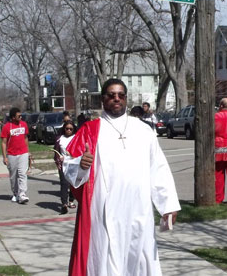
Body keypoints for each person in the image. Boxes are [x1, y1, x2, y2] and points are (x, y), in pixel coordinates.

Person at [62, 78, 180, 275]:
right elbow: (69, 166)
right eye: (111, 95)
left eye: (120, 95)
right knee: (107, 261)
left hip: (138, 209)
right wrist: (81, 166)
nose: (116, 99)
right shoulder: (90, 131)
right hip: (104, 210)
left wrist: (168, 205)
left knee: (140, 258)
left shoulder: (143, 130)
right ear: (103, 99)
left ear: (125, 98)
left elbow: (158, 168)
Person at [1, 107, 32, 204]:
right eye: (19, 116)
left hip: (23, 153)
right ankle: (15, 193)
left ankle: (22, 194)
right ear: (13, 117)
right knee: (13, 176)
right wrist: (5, 157)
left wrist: (28, 151)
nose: (21, 117)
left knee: (23, 174)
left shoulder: (24, 125)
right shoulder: (7, 127)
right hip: (11, 154)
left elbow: (25, 138)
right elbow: (3, 142)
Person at [54, 121, 77, 214]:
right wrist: (58, 160)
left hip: (74, 164)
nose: (68, 130)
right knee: (64, 183)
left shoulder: (76, 138)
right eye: (67, 128)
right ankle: (64, 204)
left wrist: (69, 156)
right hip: (63, 165)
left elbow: (79, 152)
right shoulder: (59, 139)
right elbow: (56, 151)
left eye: (71, 129)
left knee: (73, 184)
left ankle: (71, 201)